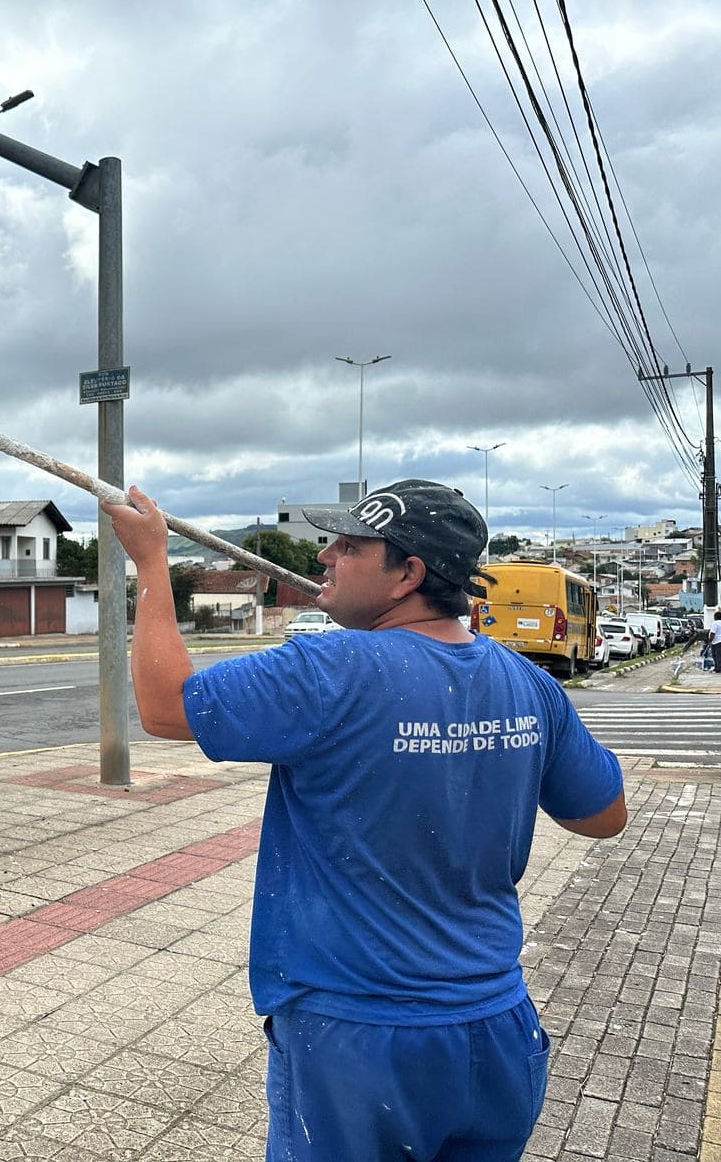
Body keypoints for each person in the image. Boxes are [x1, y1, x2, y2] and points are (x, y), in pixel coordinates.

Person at [102, 479, 626, 1162]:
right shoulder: (528, 683)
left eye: (350, 547)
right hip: (497, 1029)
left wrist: (150, 562)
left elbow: (166, 707)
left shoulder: (331, 668)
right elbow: (603, 816)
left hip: (356, 1037)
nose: (325, 557)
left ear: (408, 574)